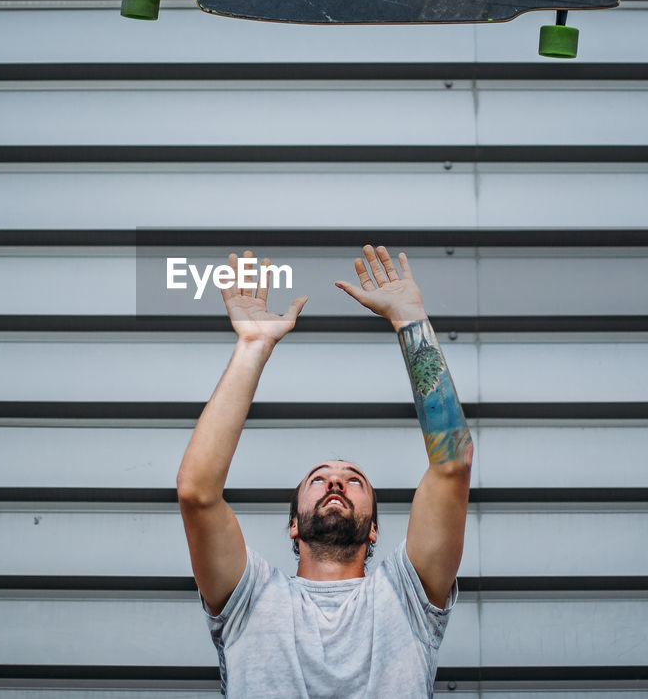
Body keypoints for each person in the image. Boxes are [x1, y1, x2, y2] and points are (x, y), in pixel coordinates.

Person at [176, 244, 473, 698]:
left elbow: (452, 462)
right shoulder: (250, 597)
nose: (336, 480)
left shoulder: (408, 598)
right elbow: (196, 493)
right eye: (318, 479)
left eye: (354, 480)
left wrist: (410, 319)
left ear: (374, 530)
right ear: (294, 525)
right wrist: (253, 345)